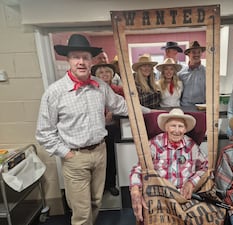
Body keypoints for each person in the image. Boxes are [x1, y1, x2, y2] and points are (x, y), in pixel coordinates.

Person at [35, 34, 151, 225]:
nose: (81, 62)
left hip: (100, 152)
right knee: (81, 212)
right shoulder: (54, 92)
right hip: (75, 157)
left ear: (91, 61)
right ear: (68, 60)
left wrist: (152, 113)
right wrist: (67, 154)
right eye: (75, 57)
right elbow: (43, 132)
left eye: (85, 57)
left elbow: (122, 106)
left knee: (97, 202)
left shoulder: (101, 86)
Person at [129, 108, 208, 222]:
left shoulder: (191, 145)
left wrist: (192, 182)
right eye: (173, 126)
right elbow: (138, 169)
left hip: (184, 197)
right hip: (161, 197)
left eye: (180, 126)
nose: (177, 130)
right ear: (166, 127)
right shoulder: (154, 144)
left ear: (185, 129)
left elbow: (205, 166)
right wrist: (135, 189)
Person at [91, 63, 124, 196]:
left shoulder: (118, 90)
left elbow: (125, 107)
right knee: (98, 159)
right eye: (101, 73)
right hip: (95, 130)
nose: (104, 75)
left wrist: (113, 112)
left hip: (112, 128)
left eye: (107, 72)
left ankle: (111, 184)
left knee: (111, 157)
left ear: (112, 75)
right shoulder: (91, 90)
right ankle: (99, 187)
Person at [178, 41, 206, 106]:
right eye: (193, 52)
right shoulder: (181, 73)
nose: (196, 55)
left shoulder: (207, 72)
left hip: (201, 107)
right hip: (184, 107)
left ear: (201, 54)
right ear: (188, 54)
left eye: (199, 52)